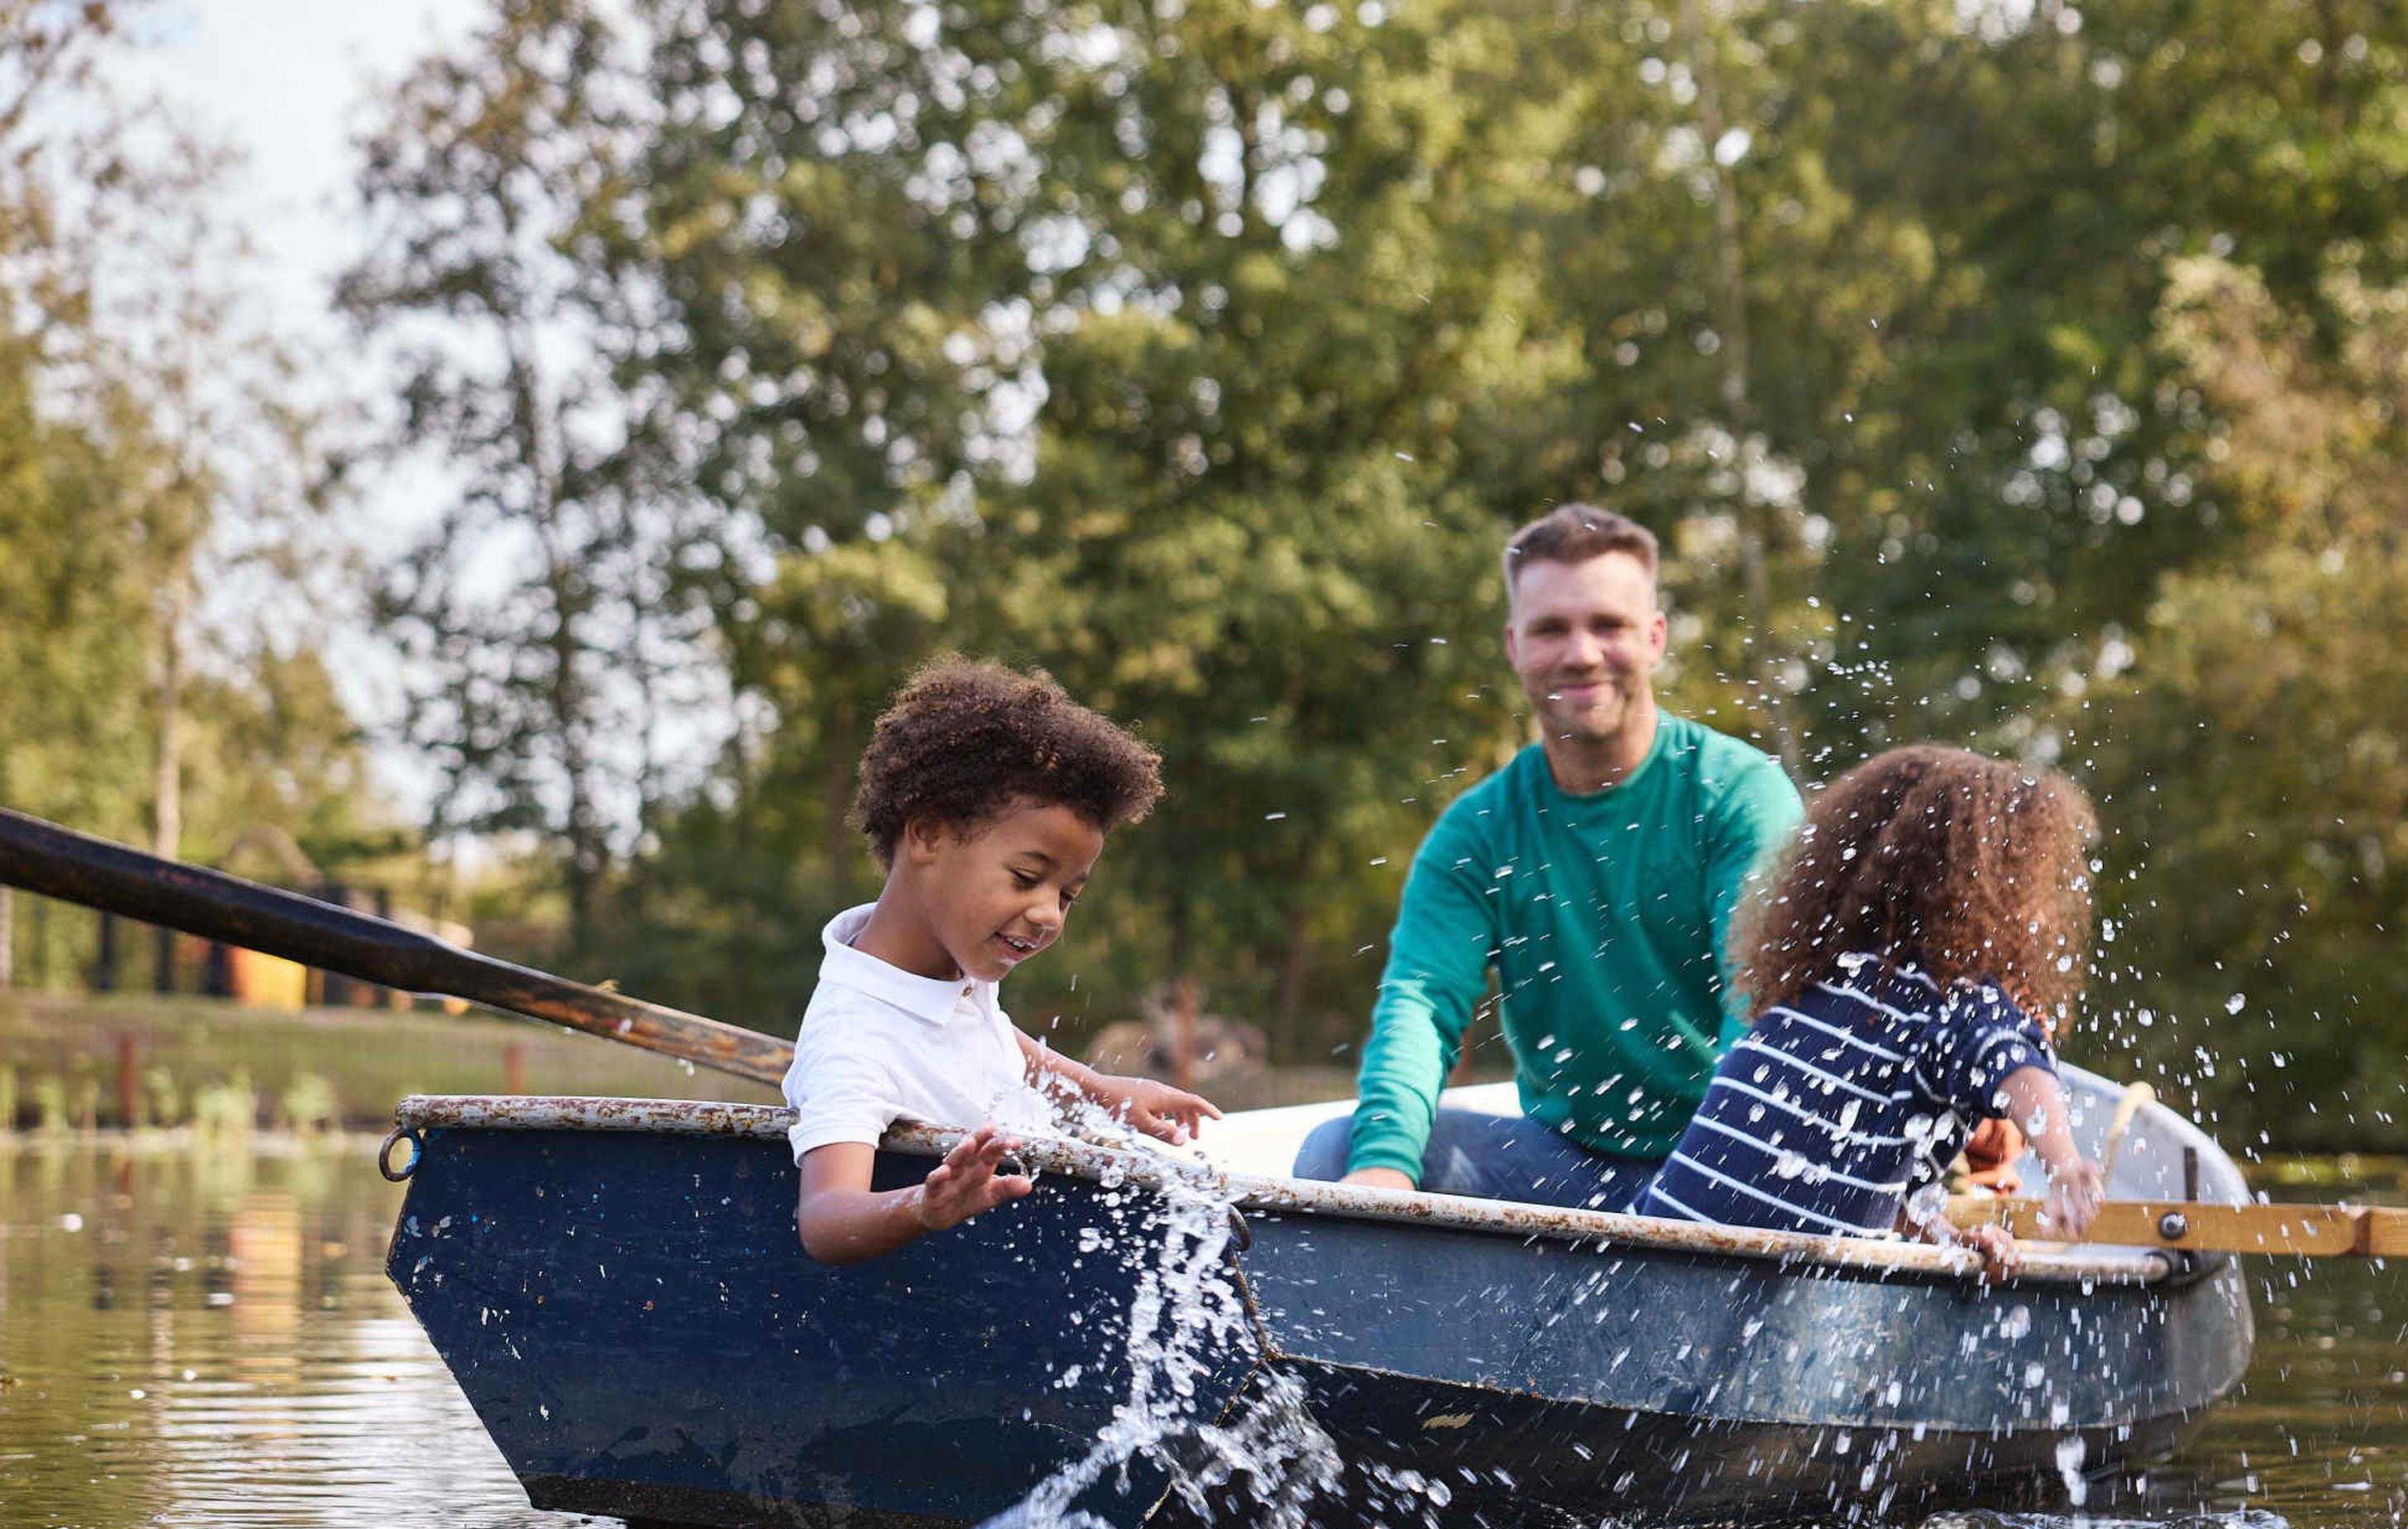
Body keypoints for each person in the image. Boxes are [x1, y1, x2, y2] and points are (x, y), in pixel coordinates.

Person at [1292, 504, 1804, 1207]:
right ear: (1514, 647)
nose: (1582, 653)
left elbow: (1761, 999)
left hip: (1736, 1154)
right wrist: (1384, 1163)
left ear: (1654, 637)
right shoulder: (1477, 832)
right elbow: (1420, 1003)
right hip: (1566, 1168)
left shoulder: (1738, 795)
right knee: (1334, 1151)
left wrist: (1700, 1187)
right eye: (1551, 629)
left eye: (1608, 625)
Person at [786, 657, 1221, 1265]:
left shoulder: (943, 970)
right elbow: (826, 1219)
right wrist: (921, 1207)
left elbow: (988, 1040)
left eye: (1067, 894)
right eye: (1026, 878)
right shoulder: (853, 1038)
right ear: (929, 835)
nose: (1049, 915)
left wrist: (1099, 1090)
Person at [1632, 746, 2108, 1269]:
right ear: (2001, 890)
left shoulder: (1818, 987)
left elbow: (1843, 1169)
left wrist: (1940, 1234)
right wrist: (2062, 1164)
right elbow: (2014, 1064)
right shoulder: (1953, 1001)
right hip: (1708, 1293)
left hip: (1644, 1257)